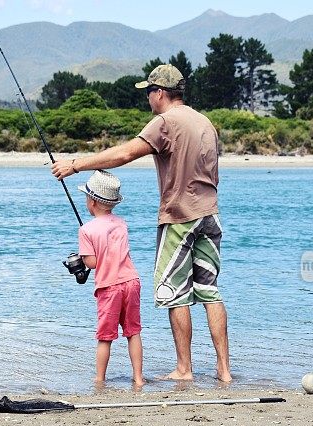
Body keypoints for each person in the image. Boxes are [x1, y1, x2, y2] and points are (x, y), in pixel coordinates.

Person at [52, 64, 232, 382]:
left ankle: (184, 369)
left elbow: (124, 154)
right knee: (210, 292)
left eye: (148, 92)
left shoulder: (164, 122)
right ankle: (224, 370)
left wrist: (75, 165)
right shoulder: (205, 123)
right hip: (211, 215)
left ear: (159, 93)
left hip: (179, 218)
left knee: (175, 293)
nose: (148, 99)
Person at [76, 169, 144, 386]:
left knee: (105, 336)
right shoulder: (121, 223)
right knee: (133, 331)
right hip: (132, 282)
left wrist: (81, 258)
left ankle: (99, 379)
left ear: (92, 202)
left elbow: (93, 263)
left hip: (109, 286)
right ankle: (139, 378)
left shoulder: (86, 230)